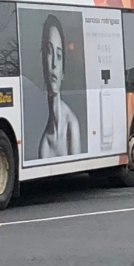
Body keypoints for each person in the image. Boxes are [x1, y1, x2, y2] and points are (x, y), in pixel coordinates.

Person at [38, 14, 82, 159]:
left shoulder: (71, 125)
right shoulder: (44, 143)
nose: (54, 65)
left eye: (58, 55)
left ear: (63, 71)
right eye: (49, 52)